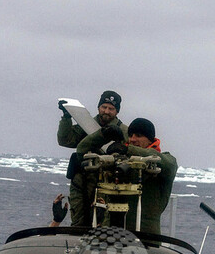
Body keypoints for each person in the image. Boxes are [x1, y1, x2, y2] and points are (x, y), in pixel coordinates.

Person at [76, 117, 177, 235]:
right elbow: (81, 151)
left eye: (138, 135)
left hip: (145, 234)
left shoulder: (161, 162)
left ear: (150, 140)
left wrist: (128, 149)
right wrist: (102, 135)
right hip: (111, 232)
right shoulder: (119, 159)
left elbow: (169, 165)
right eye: (130, 135)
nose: (133, 139)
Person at [57, 91, 129, 227]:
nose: (106, 111)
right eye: (104, 107)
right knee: (78, 223)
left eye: (111, 108)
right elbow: (65, 140)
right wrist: (66, 118)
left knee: (102, 225)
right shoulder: (86, 124)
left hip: (107, 184)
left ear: (117, 111)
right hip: (81, 182)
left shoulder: (124, 131)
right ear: (98, 107)